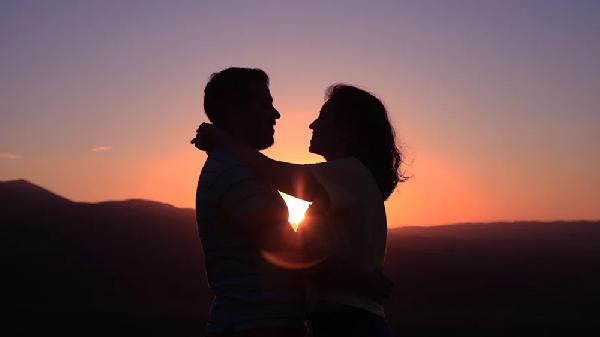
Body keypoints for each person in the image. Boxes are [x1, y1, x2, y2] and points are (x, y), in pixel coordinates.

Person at [193, 84, 407, 337]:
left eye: (323, 118)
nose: (312, 125)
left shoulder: (351, 172)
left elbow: (274, 172)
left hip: (350, 321)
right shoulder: (345, 182)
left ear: (345, 133)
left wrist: (222, 139)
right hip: (344, 319)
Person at [195, 67, 306, 337]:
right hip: (254, 325)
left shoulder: (240, 168)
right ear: (235, 111)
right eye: (265, 104)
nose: (276, 114)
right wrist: (357, 279)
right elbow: (287, 250)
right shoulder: (234, 172)